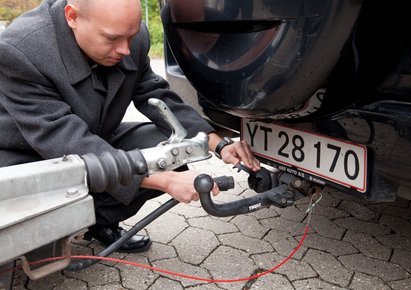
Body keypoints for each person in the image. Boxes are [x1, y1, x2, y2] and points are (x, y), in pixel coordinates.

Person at [0, 0, 260, 253]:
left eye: (130, 36)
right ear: (73, 17)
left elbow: (157, 96)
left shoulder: (128, 37)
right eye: (112, 39)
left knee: (170, 153)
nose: (125, 50)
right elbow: (64, 140)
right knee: (156, 173)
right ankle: (54, 228)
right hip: (29, 158)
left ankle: (99, 222)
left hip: (93, 137)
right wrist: (166, 181)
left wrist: (218, 144)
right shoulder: (22, 50)